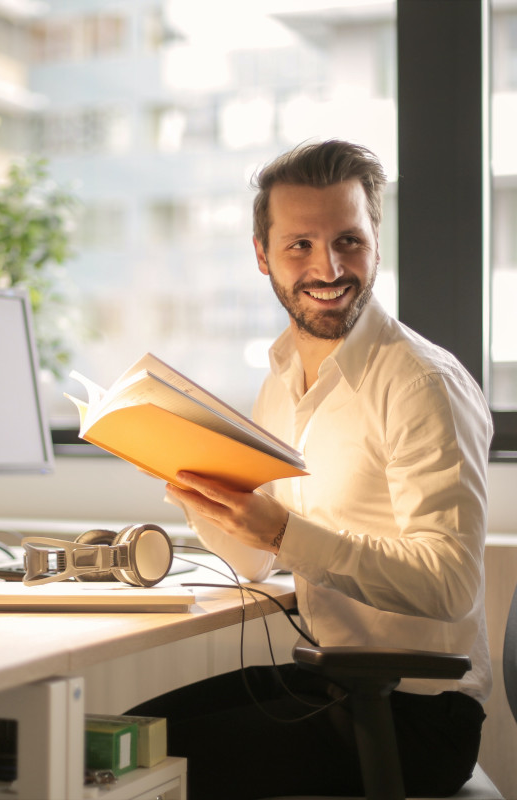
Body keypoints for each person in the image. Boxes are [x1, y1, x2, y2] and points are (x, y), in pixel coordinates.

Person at [129, 139, 493, 798]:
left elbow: (450, 584)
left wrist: (282, 533)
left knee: (138, 770)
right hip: (333, 681)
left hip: (416, 716)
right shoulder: (282, 377)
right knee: (124, 736)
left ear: (376, 242)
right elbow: (253, 563)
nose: (328, 267)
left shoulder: (420, 383)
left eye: (348, 241)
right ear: (262, 255)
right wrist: (197, 491)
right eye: (300, 245)